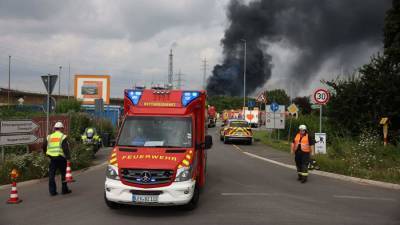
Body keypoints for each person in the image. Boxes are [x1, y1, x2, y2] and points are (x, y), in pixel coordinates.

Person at [42, 122, 72, 196]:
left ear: (54, 128)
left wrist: (46, 153)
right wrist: (68, 158)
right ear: (61, 128)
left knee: (51, 175)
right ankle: (64, 190)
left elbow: (43, 146)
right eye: (63, 128)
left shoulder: (49, 136)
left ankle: (52, 192)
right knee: (63, 174)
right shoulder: (63, 136)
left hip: (52, 158)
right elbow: (65, 148)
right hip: (61, 158)